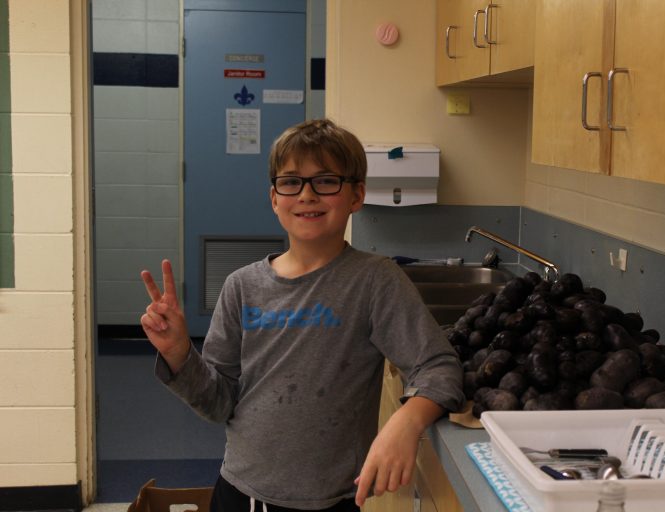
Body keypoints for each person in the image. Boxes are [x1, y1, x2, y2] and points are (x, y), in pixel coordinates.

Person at [140, 119, 465, 512]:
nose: (307, 195)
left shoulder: (375, 281)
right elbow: (218, 403)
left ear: (357, 195)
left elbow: (439, 367)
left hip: (330, 502)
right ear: (274, 198)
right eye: (291, 182)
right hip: (240, 494)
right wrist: (178, 353)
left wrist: (406, 422)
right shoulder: (241, 287)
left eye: (326, 181)